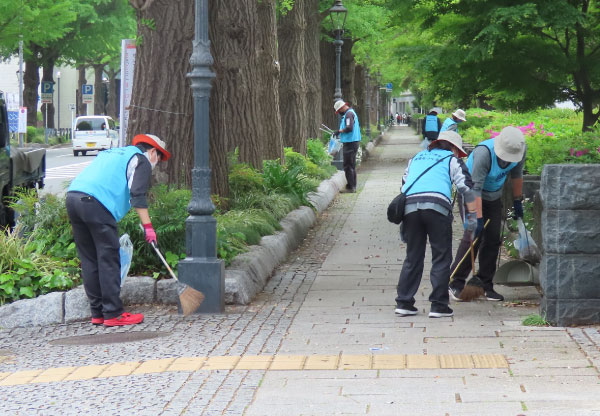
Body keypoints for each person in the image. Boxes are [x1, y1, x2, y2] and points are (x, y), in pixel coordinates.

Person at [66, 134, 171, 327]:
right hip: (96, 203)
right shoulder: (142, 160)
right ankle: (113, 313)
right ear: (153, 151)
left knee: (89, 259)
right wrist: (148, 227)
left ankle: (98, 313)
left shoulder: (116, 153)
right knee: (108, 258)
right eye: (159, 159)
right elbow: (137, 195)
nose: (157, 163)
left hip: (74, 197)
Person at [395, 131, 477, 318]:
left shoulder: (416, 158)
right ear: (455, 148)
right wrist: (472, 217)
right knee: (441, 256)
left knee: (413, 256)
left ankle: (404, 302)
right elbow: (467, 189)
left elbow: (404, 185)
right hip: (437, 208)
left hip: (409, 209)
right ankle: (439, 305)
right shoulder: (452, 160)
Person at [448, 126, 527, 302]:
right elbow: (475, 188)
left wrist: (517, 200)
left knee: (492, 238)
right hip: (471, 194)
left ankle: (485, 284)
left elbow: (517, 174)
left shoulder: (520, 150)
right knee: (474, 237)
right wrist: (477, 217)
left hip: (493, 196)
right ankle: (455, 282)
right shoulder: (484, 153)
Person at [334, 100, 362, 193]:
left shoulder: (348, 114)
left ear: (341, 108)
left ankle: (351, 187)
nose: (339, 113)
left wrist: (339, 131)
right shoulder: (351, 113)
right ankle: (352, 185)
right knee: (351, 165)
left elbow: (349, 128)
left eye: (339, 111)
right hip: (353, 141)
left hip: (350, 142)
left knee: (348, 165)